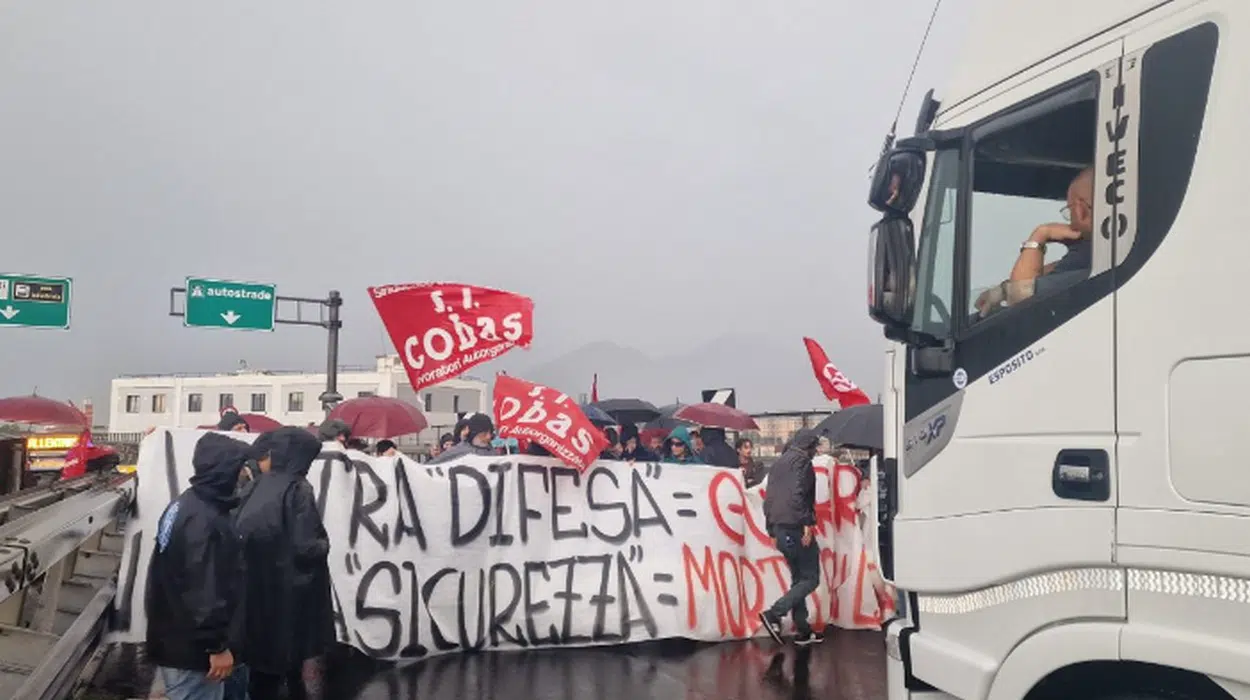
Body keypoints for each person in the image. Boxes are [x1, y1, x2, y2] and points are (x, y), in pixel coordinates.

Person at [146, 433, 250, 700]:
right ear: (224, 471)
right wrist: (215, 647)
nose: (244, 474)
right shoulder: (204, 519)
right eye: (239, 468)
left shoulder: (187, 504)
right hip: (193, 654)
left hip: (177, 640)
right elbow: (201, 591)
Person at [235, 428, 333, 700]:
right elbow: (307, 546)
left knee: (260, 668)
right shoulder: (297, 488)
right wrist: (324, 544)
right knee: (287, 656)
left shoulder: (256, 485)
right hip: (289, 592)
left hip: (256, 589)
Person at [976, 167, 1095, 316]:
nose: (1070, 220)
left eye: (1069, 210)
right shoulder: (1097, 252)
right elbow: (1054, 271)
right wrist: (1001, 290)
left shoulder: (1092, 256)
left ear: (1080, 210)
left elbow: (1020, 301)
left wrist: (1040, 235)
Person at [759, 428, 823, 646]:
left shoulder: (778, 463)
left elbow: (768, 499)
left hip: (779, 527)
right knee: (811, 578)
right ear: (809, 447)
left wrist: (771, 530)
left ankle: (803, 630)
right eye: (815, 447)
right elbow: (798, 495)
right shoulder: (803, 463)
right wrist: (807, 523)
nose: (816, 451)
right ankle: (774, 613)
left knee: (799, 579)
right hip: (796, 526)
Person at [430, 413, 495, 463]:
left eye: (490, 433)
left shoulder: (494, 454)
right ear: (474, 433)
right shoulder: (456, 452)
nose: (488, 437)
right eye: (484, 434)